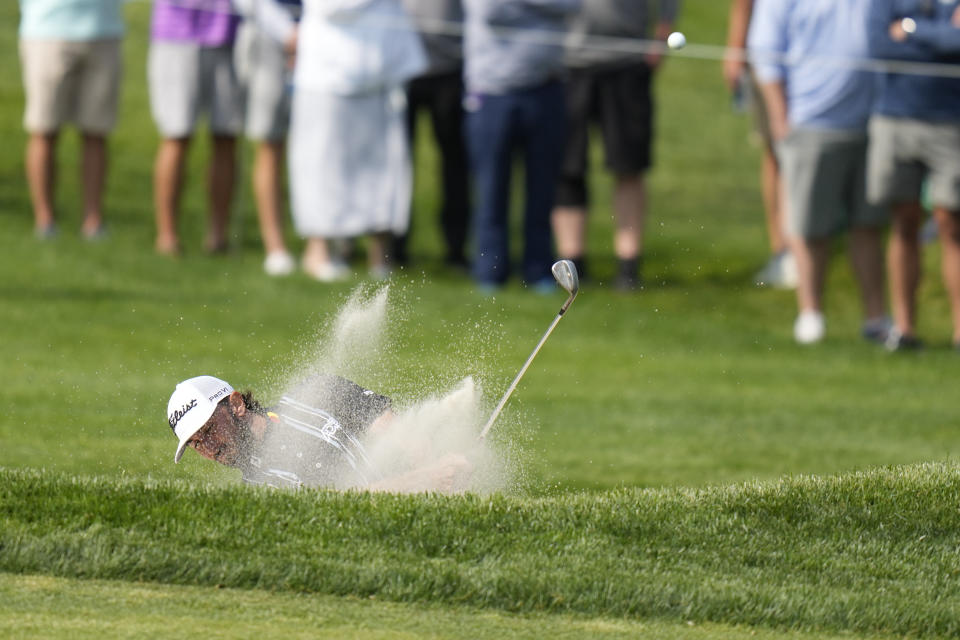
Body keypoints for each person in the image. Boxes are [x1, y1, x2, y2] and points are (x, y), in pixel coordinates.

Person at [749, 0, 889, 345]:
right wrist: (781, 118)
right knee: (810, 227)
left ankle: (876, 319)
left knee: (868, 225)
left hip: (873, 121)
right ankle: (811, 314)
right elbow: (765, 51)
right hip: (810, 122)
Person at [288, 0, 427, 282]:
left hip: (381, 74)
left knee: (385, 169)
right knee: (321, 167)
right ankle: (319, 251)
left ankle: (380, 255)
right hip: (326, 77)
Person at [551, 0, 677, 291]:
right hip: (568, 61)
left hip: (627, 61)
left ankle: (628, 267)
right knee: (567, 166)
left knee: (628, 166)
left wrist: (662, 33)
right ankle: (572, 264)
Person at [166, 374, 473, 492]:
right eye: (194, 444)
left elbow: (394, 429)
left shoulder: (314, 392)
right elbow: (344, 506)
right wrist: (425, 480)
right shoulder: (259, 490)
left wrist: (432, 464)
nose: (207, 448)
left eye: (207, 430)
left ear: (236, 404)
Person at [463, 0, 581, 290]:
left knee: (543, 190)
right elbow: (491, 10)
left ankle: (539, 270)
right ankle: (489, 272)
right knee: (491, 189)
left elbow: (571, 5)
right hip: (491, 91)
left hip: (547, 88)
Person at [867, 1, 960, 351]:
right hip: (895, 118)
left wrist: (910, 30)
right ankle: (904, 330)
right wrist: (942, 36)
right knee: (904, 222)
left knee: (952, 223)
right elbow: (878, 45)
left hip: (951, 122)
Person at [18, 0, 125, 239]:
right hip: (46, 29)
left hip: (104, 28)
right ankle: (44, 222)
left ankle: (93, 222)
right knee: (44, 129)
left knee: (96, 132)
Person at [724, 0, 795, 289]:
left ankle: (803, 249)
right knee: (778, 151)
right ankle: (783, 251)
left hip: (822, 51)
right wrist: (735, 45)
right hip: (771, 53)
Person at [398, 0, 471, 270]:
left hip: (450, 67)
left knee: (455, 165)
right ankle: (394, 248)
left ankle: (456, 249)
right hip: (401, 69)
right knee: (397, 162)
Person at [234, 0, 301, 276]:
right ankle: (275, 248)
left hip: (323, 40)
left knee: (315, 148)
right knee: (270, 143)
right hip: (267, 38)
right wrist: (288, 32)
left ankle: (321, 246)